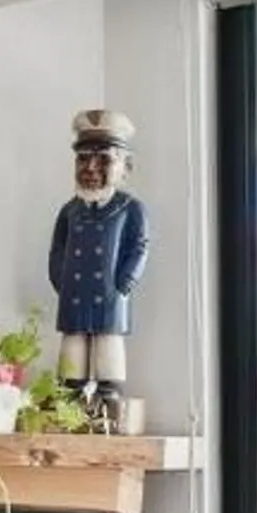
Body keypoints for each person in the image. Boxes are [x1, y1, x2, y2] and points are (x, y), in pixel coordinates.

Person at [47, 110, 149, 409]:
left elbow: (139, 246)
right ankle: (70, 395)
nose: (90, 167)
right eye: (83, 159)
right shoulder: (69, 211)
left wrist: (125, 282)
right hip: (74, 295)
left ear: (125, 167)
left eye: (103, 159)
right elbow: (58, 249)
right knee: (73, 346)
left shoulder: (130, 208)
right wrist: (61, 281)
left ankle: (108, 395)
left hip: (109, 294)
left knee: (108, 345)